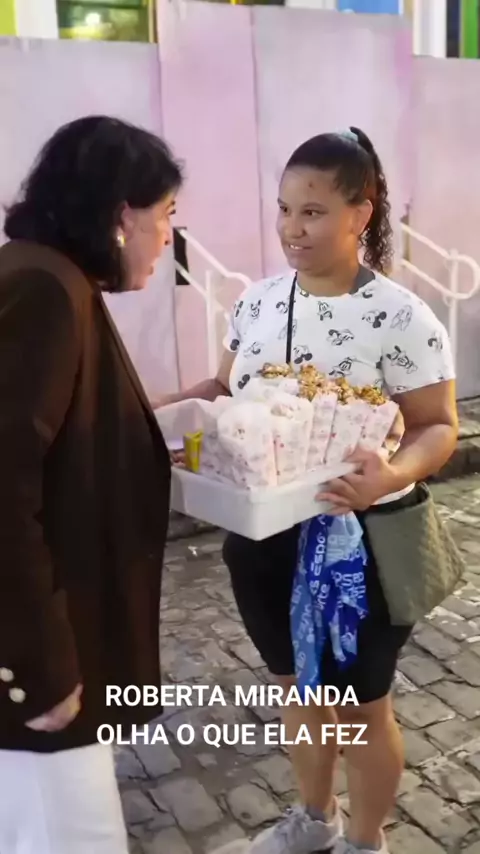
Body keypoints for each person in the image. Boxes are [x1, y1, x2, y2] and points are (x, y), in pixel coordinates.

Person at [160, 128, 458, 854]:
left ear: (361, 212)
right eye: (285, 209)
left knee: (359, 709)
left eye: (314, 212)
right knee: (296, 689)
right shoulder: (258, 303)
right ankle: (314, 821)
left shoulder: (402, 317)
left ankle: (365, 841)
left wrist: (390, 474)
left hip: (361, 544)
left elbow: (437, 426)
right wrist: (158, 413)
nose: (293, 228)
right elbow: (223, 388)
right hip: (263, 536)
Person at [0, 115, 182, 853]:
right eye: (166, 214)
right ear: (121, 215)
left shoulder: (49, 274)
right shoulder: (42, 288)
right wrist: (37, 669)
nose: (168, 236)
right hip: (36, 677)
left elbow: (61, 434)